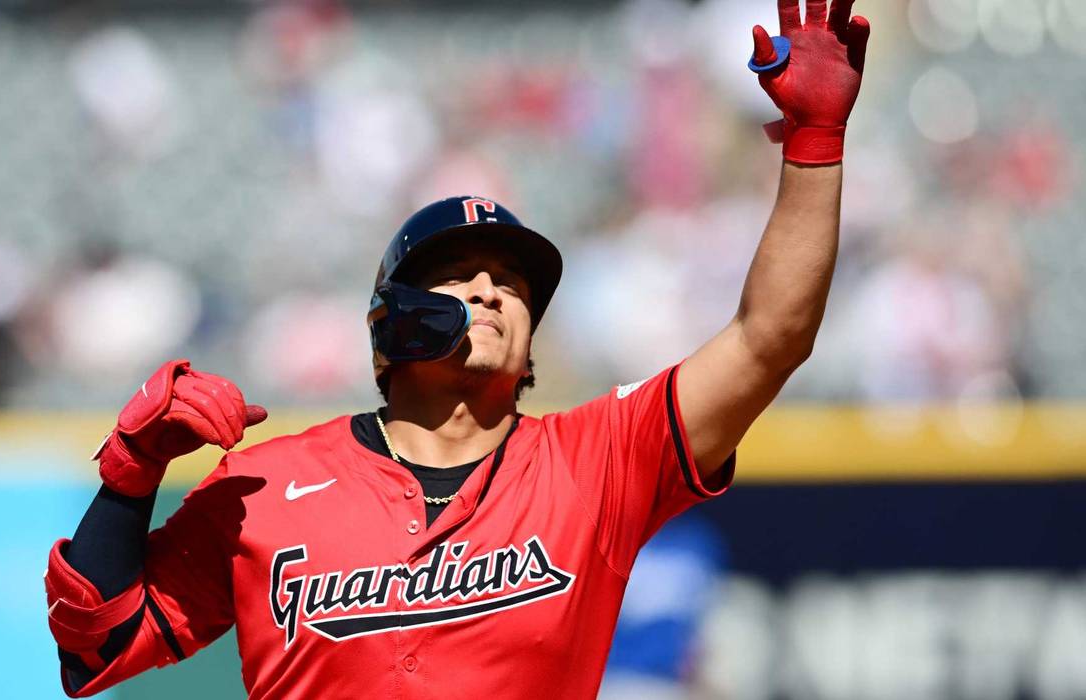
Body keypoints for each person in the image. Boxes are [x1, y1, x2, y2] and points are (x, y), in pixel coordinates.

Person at [44, 1, 869, 697]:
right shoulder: (265, 487)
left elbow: (769, 338)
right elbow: (97, 650)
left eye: (510, 282)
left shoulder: (598, 464)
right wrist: (129, 478)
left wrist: (813, 146)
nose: (487, 290)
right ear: (384, 333)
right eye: (453, 275)